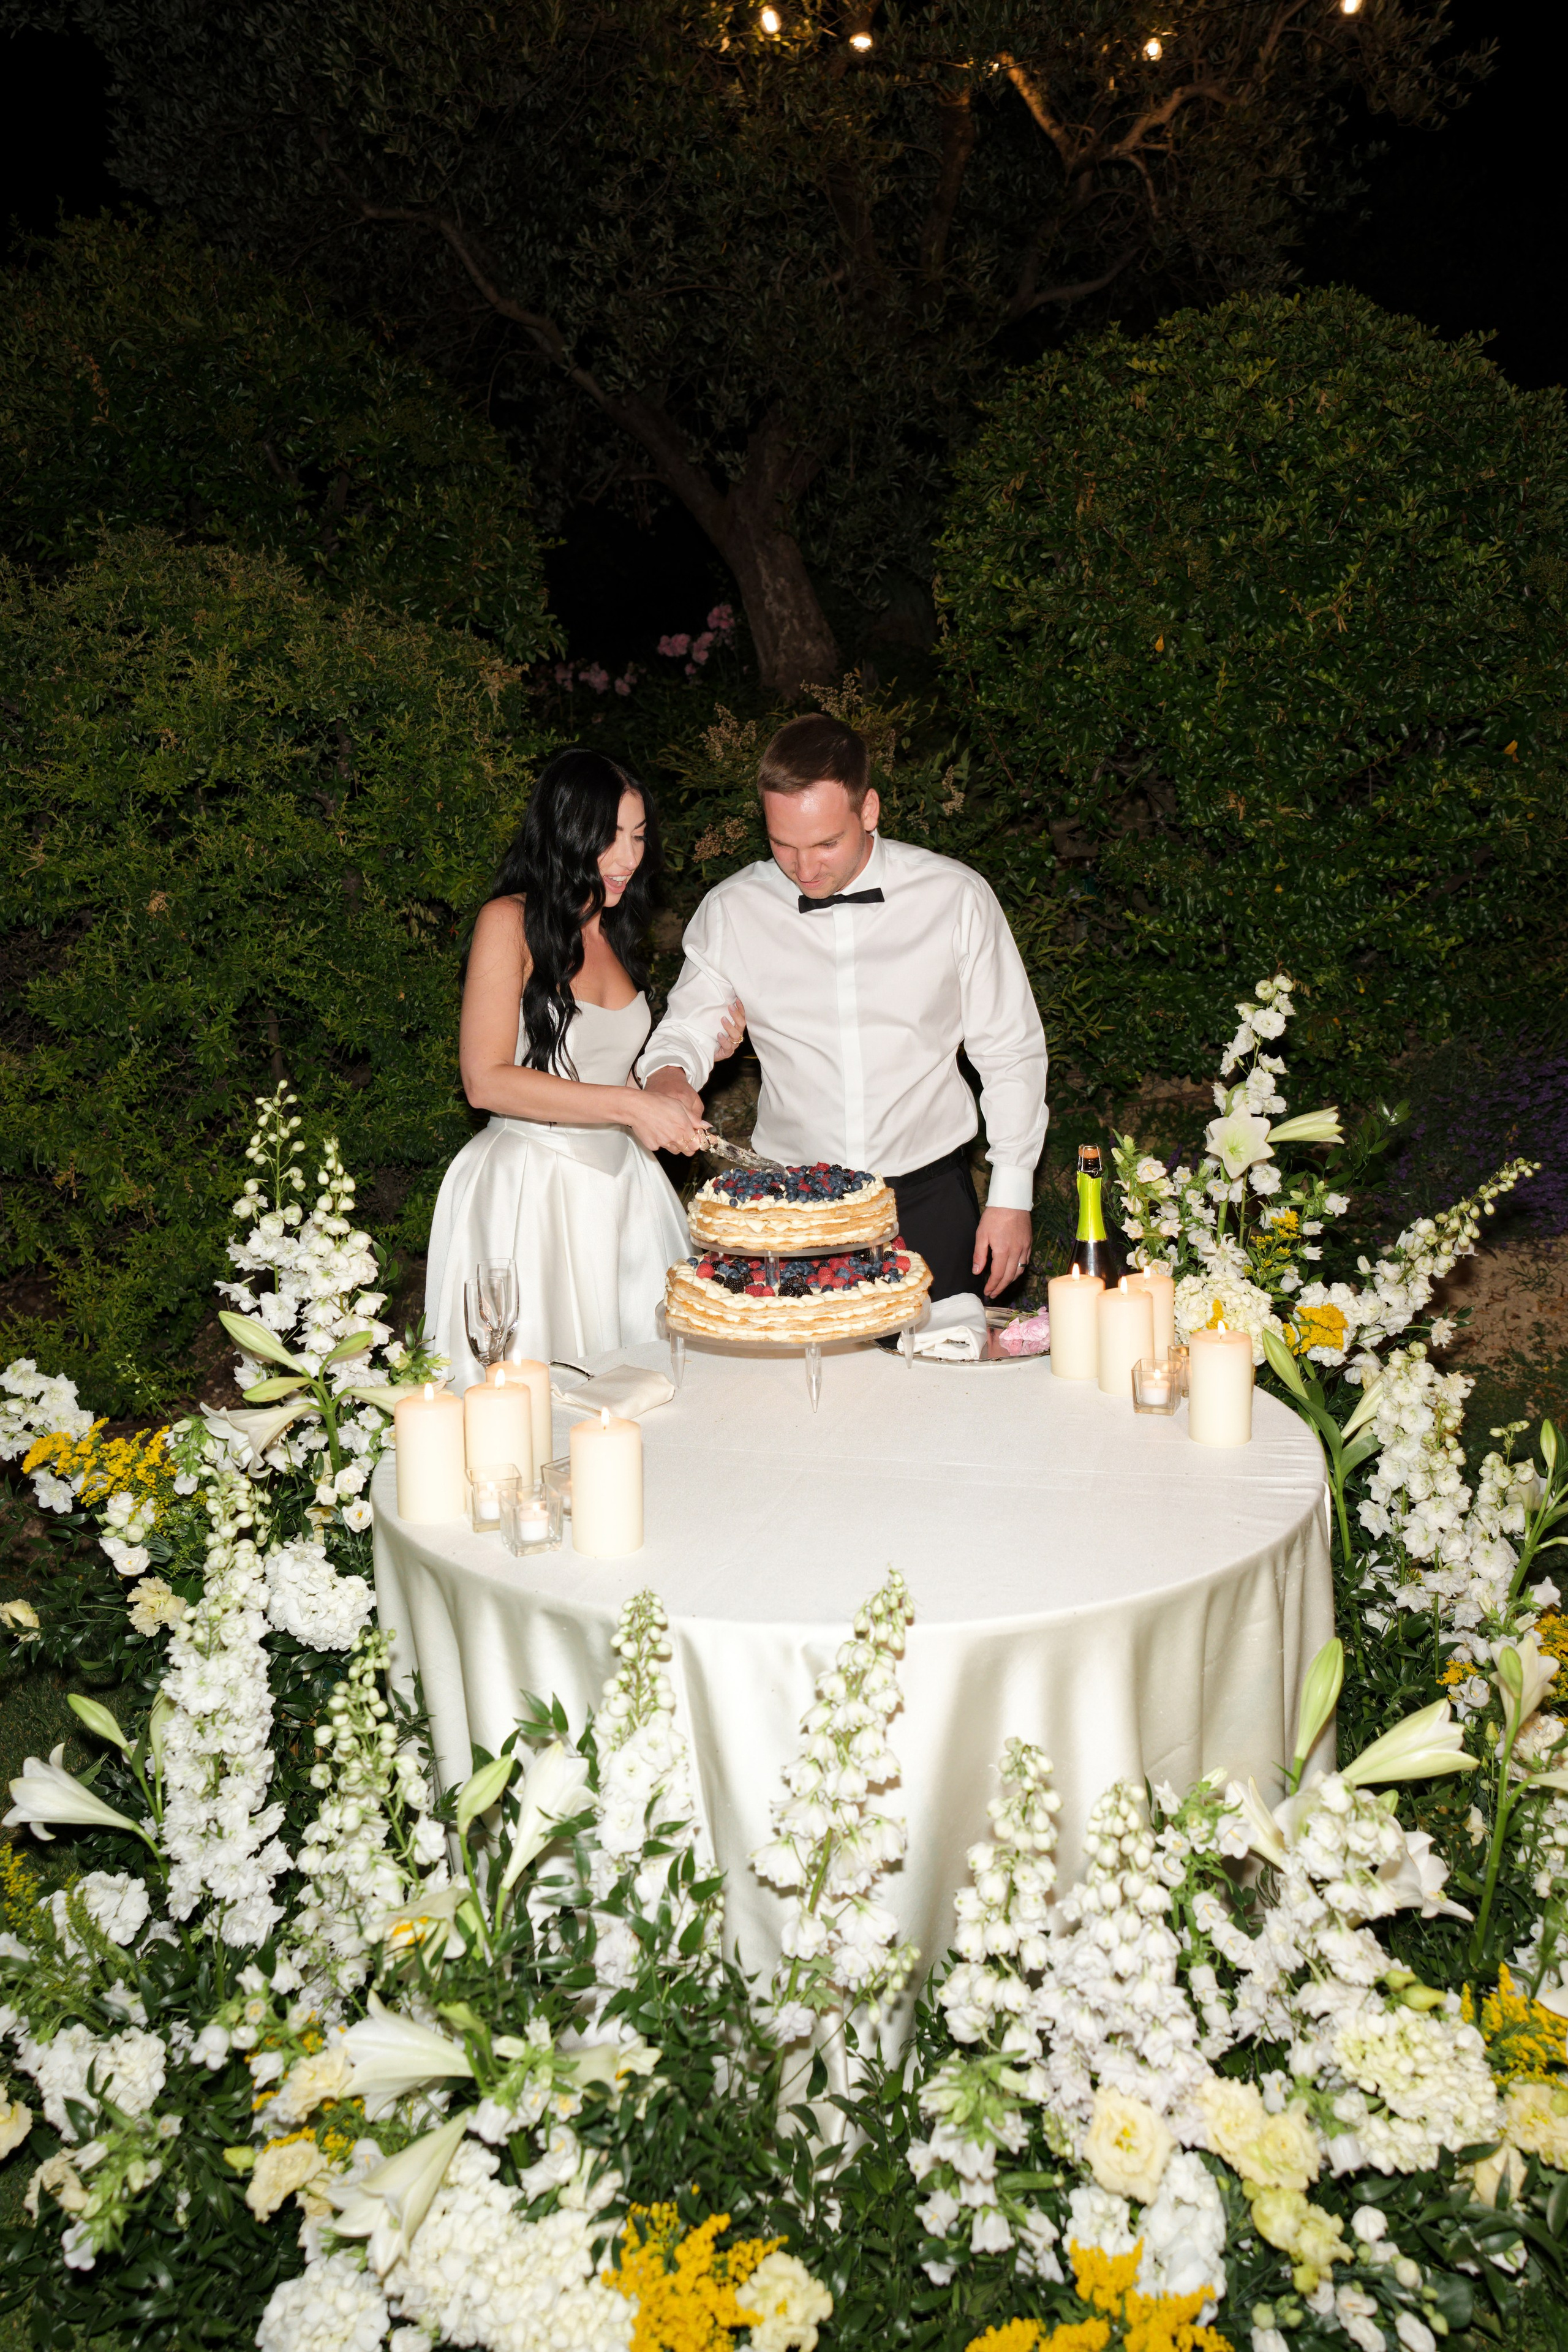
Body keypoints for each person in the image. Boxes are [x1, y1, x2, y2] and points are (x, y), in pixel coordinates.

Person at [639, 714, 1047, 1301]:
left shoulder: (955, 897)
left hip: (928, 1197)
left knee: (941, 1387)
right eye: (784, 845)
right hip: (792, 1209)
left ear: (870, 810)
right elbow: (686, 1028)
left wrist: (1011, 1194)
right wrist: (669, 1078)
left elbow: (1010, 1051)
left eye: (827, 843)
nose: (805, 870)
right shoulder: (734, 909)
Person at [424, 748, 737, 1384]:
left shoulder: (612, 929)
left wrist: (671, 1094)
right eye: (609, 839)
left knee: (646, 1385)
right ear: (567, 833)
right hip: (531, 1189)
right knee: (533, 1394)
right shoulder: (507, 921)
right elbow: (484, 1080)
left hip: (622, 1189)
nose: (627, 859)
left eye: (639, 837)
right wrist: (630, 1107)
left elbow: (605, 1066)